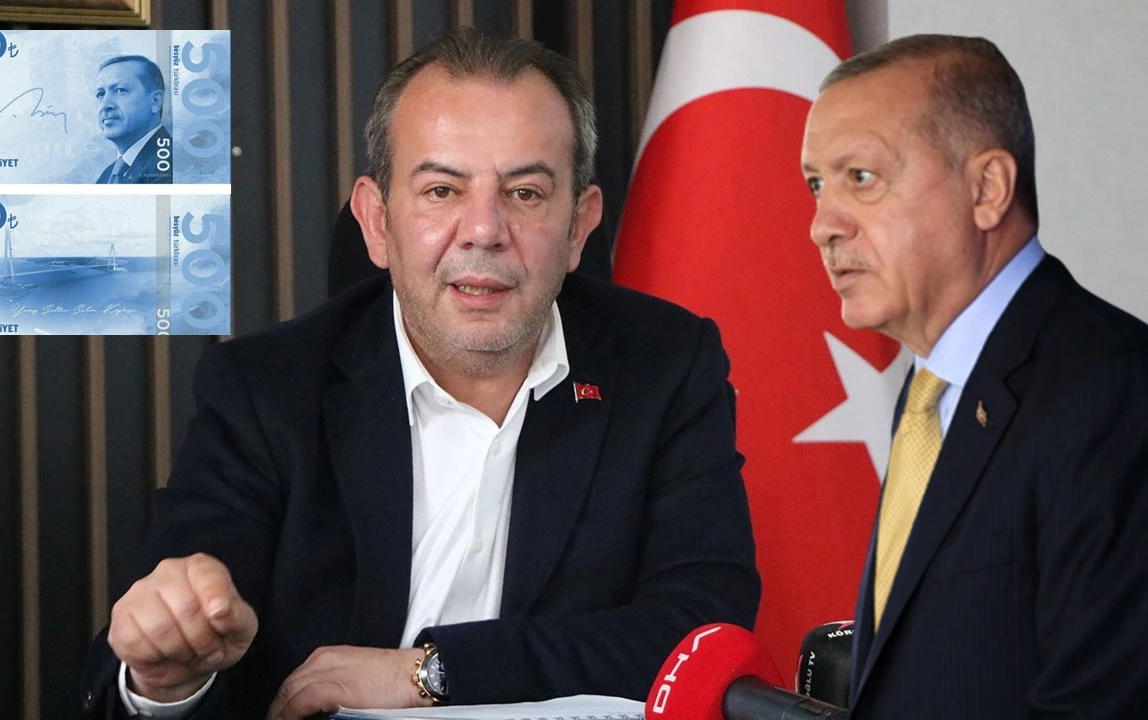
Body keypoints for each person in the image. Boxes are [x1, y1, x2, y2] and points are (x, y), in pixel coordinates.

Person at [81, 28, 759, 719]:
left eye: (526, 193)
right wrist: (168, 676)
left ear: (579, 226)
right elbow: (158, 644)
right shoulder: (266, 389)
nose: (483, 230)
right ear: (378, 222)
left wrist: (432, 672)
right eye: (441, 190)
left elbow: (703, 626)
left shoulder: (665, 364)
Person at [800, 34, 1148, 718]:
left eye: (861, 178)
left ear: (987, 189)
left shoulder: (1114, 392)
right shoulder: (932, 389)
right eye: (817, 184)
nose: (822, 225)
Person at [94, 55, 172, 184]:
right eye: (101, 94)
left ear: (155, 101)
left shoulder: (173, 164)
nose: (105, 104)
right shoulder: (106, 176)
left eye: (120, 90)